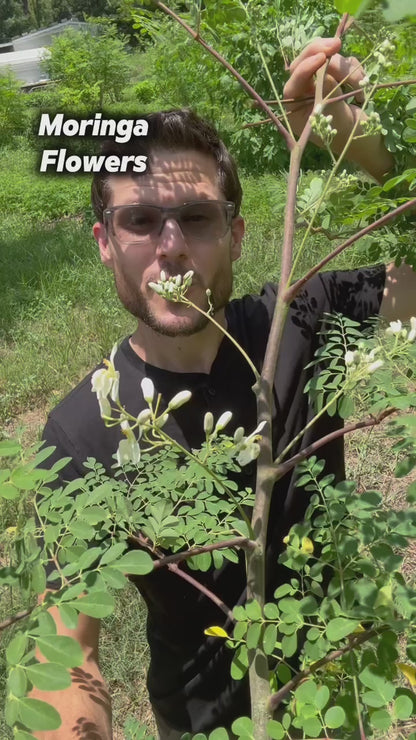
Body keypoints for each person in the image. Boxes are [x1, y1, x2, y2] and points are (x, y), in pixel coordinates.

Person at [33, 38, 415, 739]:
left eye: (198, 218)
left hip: (335, 710)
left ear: (236, 236)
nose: (171, 243)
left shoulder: (305, 317)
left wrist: (351, 144)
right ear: (104, 242)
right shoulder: (82, 429)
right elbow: (68, 653)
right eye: (141, 220)